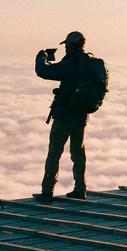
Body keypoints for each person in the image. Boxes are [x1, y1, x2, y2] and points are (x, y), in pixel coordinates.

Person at [33, 31, 95, 202]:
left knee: (54, 153)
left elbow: (43, 71)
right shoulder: (87, 62)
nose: (65, 48)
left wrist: (41, 56)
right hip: (81, 115)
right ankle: (80, 188)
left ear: (70, 45)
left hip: (64, 115)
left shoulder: (69, 63)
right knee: (78, 153)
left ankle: (47, 191)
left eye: (66, 45)